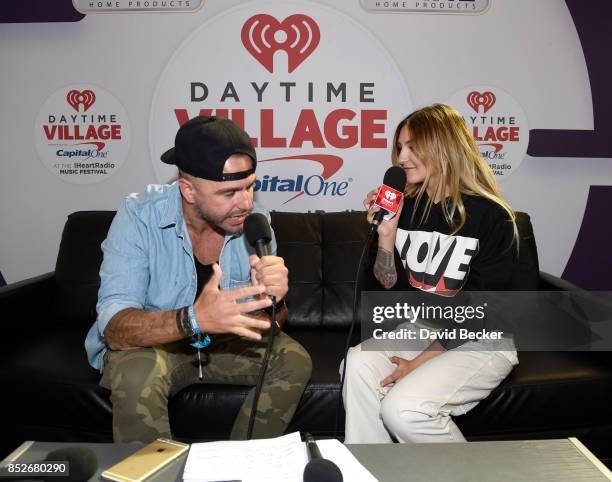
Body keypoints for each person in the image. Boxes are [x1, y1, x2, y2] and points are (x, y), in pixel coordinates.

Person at [85, 115, 312, 443]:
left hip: (223, 345)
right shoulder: (138, 216)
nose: (246, 203)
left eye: (250, 186)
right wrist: (195, 318)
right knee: (134, 374)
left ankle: (242, 468)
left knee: (293, 360)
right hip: (157, 346)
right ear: (188, 190)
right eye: (230, 192)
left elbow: (269, 323)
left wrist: (276, 301)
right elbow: (115, 330)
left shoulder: (254, 223)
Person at [342, 103, 519, 443]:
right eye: (399, 147)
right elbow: (387, 294)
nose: (402, 157)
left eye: (413, 147)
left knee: (404, 409)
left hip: (484, 338)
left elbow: (485, 311)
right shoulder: (407, 210)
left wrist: (419, 362)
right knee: (357, 365)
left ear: (444, 148)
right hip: (425, 326)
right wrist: (387, 237)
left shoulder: (492, 216)